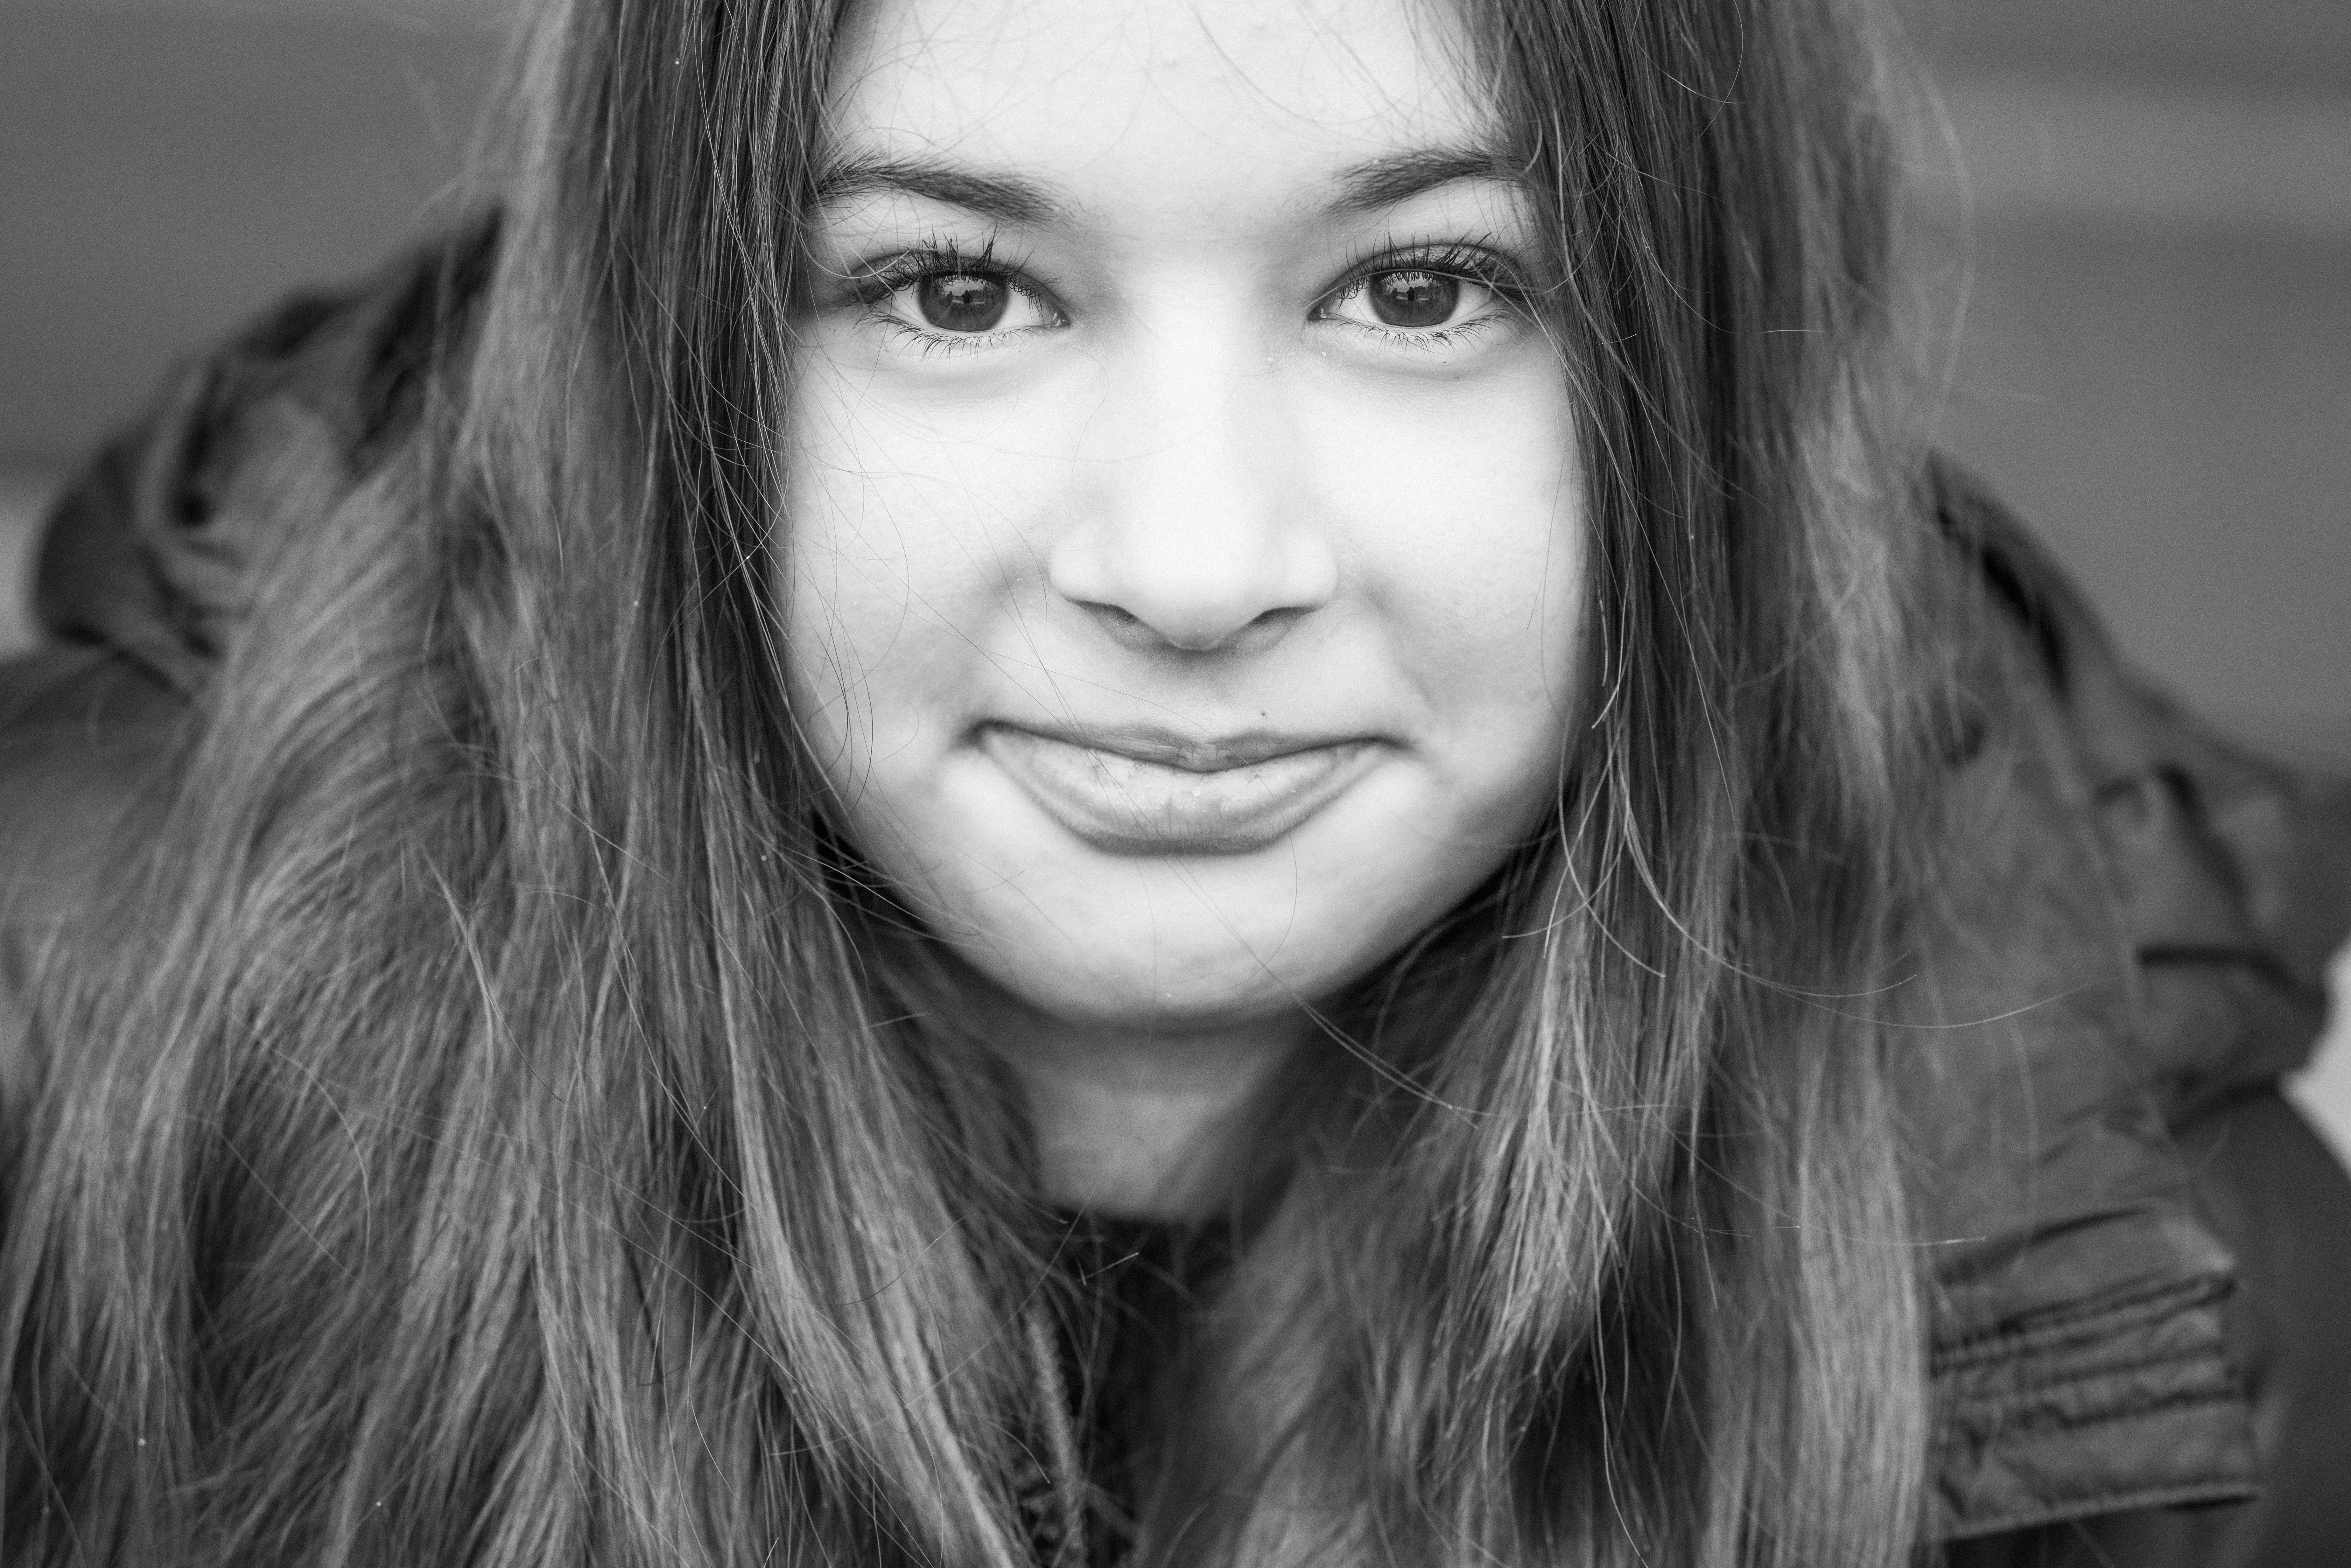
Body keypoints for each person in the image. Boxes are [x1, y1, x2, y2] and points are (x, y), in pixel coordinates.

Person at [1, 0, 2346, 1562]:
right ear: (663, 348)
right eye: (955, 291)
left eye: (1423, 290)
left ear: (1711, 365)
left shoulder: (2145, 1279)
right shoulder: (70, 1029)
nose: (1196, 566)